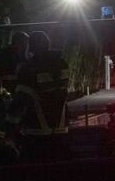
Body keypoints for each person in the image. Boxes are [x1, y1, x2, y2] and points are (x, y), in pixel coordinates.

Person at [8, 31, 70, 159]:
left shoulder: (28, 69)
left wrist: (8, 127)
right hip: (61, 130)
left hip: (36, 133)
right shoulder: (62, 64)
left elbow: (21, 101)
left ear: (31, 47)